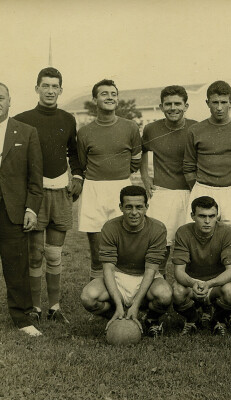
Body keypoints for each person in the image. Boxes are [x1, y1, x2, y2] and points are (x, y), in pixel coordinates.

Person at [14, 67, 83, 324]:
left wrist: (77, 176)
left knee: (54, 254)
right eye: (46, 86)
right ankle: (35, 307)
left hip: (61, 192)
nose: (51, 91)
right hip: (35, 194)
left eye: (55, 86)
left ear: (61, 90)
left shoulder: (68, 118)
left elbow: (74, 153)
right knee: (34, 254)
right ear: (37, 88)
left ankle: (54, 307)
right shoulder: (21, 119)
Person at [80, 185, 172, 337]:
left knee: (165, 295)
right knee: (88, 297)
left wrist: (135, 305)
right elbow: (108, 269)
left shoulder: (158, 229)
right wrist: (118, 305)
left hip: (145, 275)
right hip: (119, 275)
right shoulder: (110, 227)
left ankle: (150, 319)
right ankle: (119, 316)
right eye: (128, 207)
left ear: (146, 207)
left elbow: (150, 270)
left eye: (139, 207)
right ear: (120, 207)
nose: (134, 212)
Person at [77, 79, 142, 280]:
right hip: (93, 189)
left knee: (124, 244)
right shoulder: (85, 132)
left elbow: (136, 160)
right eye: (104, 93)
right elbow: (82, 162)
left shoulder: (130, 127)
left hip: (121, 187)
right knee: (97, 248)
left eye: (113, 93)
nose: (110, 97)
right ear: (95, 99)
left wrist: (119, 176)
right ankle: (97, 292)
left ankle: (123, 290)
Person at [183, 80, 231, 250]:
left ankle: (229, 277)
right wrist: (198, 187)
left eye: (224, 102)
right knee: (201, 244)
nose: (219, 107)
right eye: (215, 102)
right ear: (207, 103)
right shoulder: (195, 130)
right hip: (203, 188)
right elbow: (188, 166)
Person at [0, 83, 43, 336]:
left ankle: (22, 318)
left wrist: (31, 209)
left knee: (16, 266)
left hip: (13, 210)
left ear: (9, 101)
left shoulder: (26, 132)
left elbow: (35, 178)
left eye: (1, 97)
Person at [141, 85, 197, 275]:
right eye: (168, 104)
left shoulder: (197, 127)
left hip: (191, 192)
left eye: (177, 104)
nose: (173, 108)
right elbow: (142, 152)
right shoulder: (151, 129)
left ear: (186, 105)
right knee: (161, 244)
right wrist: (145, 176)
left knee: (191, 245)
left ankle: (190, 291)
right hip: (163, 192)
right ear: (161, 106)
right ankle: (159, 286)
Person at [172, 196, 231, 336]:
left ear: (217, 216)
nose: (207, 221)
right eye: (202, 216)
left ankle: (217, 319)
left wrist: (210, 284)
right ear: (192, 216)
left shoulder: (226, 231)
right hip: (193, 283)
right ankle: (193, 319)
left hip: (216, 284)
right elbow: (178, 271)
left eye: (212, 216)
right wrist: (193, 282)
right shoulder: (183, 232)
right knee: (177, 291)